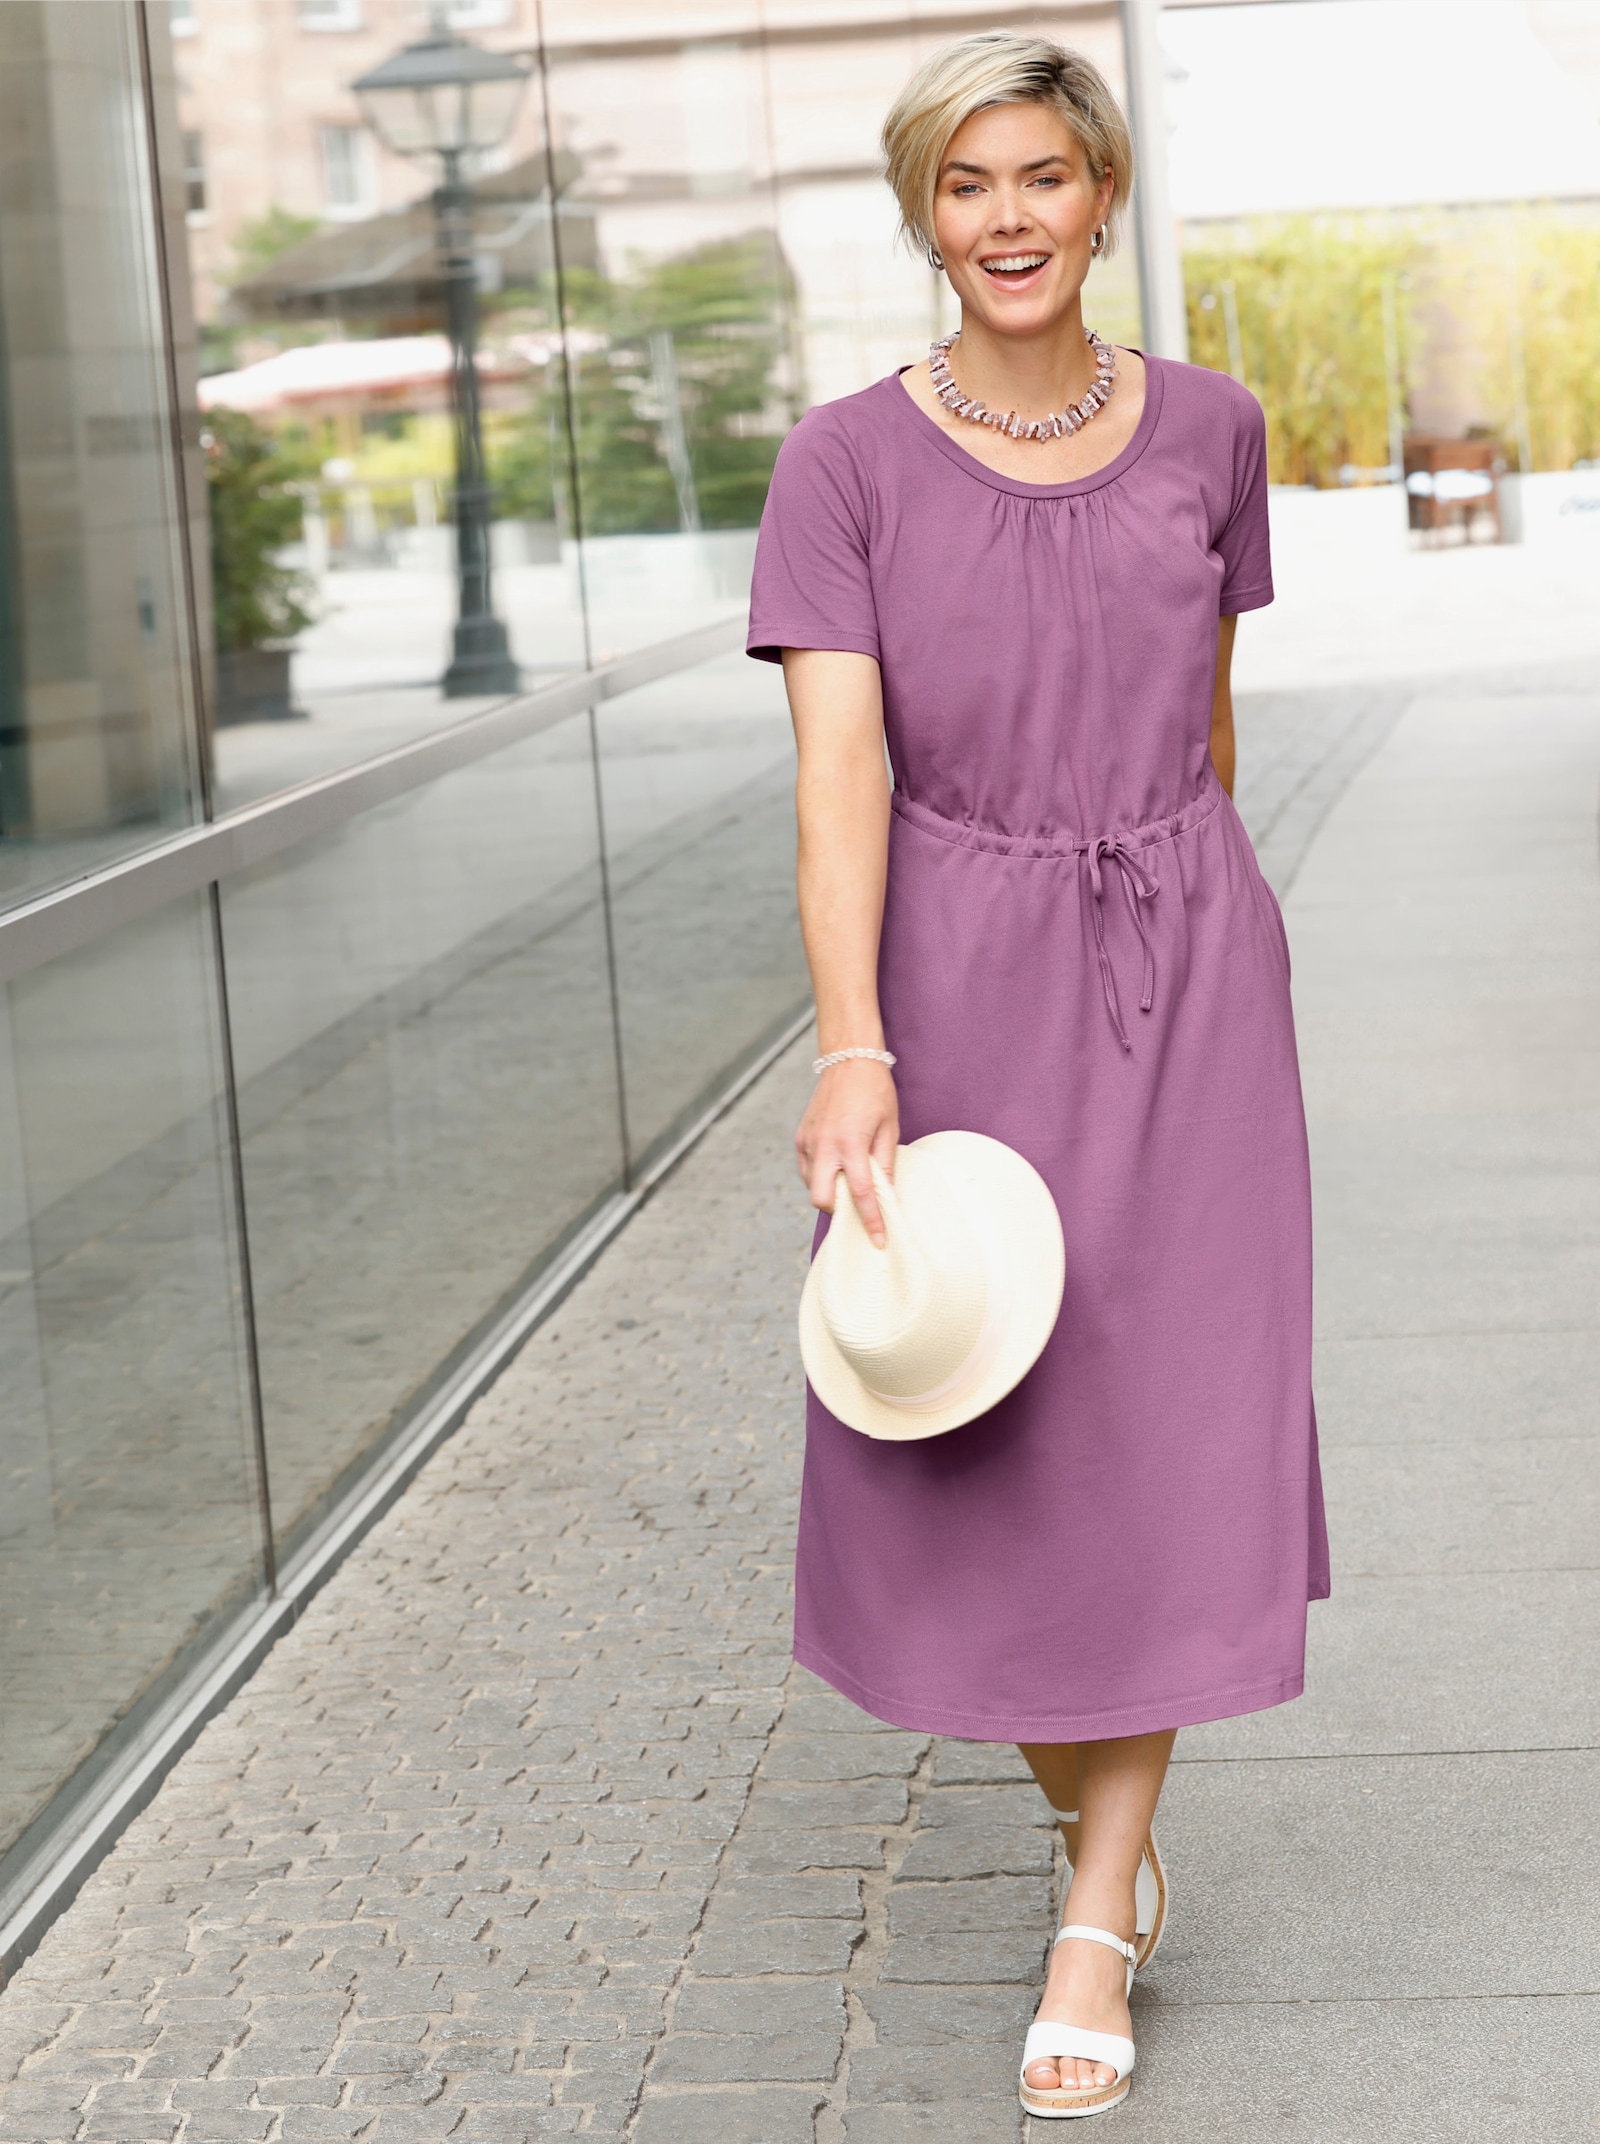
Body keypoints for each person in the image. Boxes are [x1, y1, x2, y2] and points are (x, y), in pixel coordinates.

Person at [747, 29, 1328, 2121]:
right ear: (924, 213)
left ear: (1100, 199)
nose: (1006, 218)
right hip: (952, 980)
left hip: (1185, 976)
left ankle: (1091, 1900)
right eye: (965, 183)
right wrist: (853, 1046)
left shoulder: (1210, 430)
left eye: (1041, 178)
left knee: (1172, 1422)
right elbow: (837, 784)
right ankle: (1100, 1811)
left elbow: (1211, 726)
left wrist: (1212, 945)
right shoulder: (840, 463)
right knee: (968, 1427)